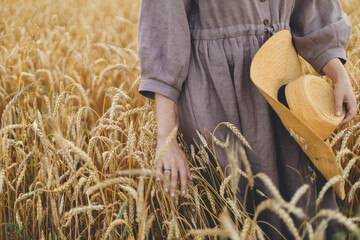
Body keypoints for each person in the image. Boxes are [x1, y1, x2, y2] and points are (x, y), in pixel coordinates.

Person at [137, 0, 357, 239]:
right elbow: (164, 27)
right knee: (234, 207)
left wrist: (339, 74)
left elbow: (313, 10)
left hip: (281, 89)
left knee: (304, 199)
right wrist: (166, 139)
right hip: (217, 99)